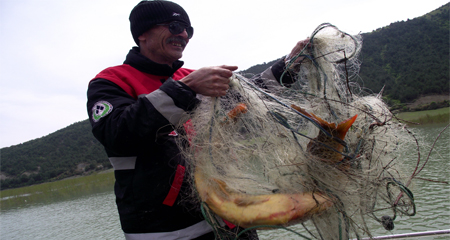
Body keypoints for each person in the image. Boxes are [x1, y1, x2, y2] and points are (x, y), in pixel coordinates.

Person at [87, 1, 308, 239]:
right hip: (167, 231)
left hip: (230, 217)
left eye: (187, 30)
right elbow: (116, 133)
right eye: (174, 26)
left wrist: (288, 68)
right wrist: (183, 89)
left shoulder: (190, 77)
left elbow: (247, 96)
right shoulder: (111, 81)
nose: (183, 34)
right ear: (142, 33)